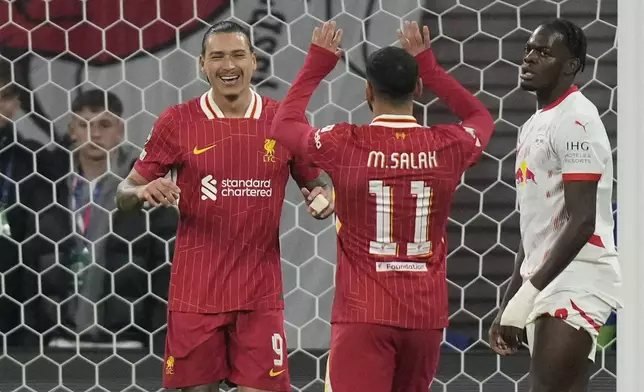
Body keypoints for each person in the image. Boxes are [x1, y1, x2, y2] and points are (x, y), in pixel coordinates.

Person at [270, 21, 495, 392]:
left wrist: (318, 62)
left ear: (368, 91)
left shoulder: (345, 143)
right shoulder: (448, 145)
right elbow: (481, 118)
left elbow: (284, 125)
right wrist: (431, 66)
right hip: (425, 317)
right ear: (418, 88)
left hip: (364, 314)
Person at [115, 21, 333, 392]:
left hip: (260, 297)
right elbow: (124, 193)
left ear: (254, 61)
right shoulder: (178, 121)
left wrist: (323, 201)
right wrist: (142, 191)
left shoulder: (282, 121)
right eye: (217, 57)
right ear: (202, 64)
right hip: (195, 295)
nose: (227, 66)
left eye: (236, 55)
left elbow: (319, 184)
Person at [488, 18, 622, 392]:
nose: (528, 58)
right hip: (545, 277)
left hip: (578, 276)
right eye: (528, 50)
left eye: (543, 52)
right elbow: (535, 227)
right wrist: (511, 300)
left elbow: (582, 222)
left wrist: (527, 294)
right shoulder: (531, 125)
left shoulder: (577, 119)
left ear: (570, 66)